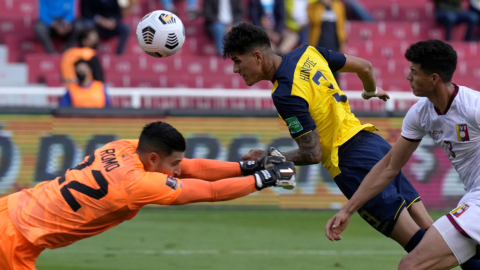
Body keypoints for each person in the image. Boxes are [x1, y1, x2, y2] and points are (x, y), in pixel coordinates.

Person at [222, 22, 435, 257]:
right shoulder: (308, 52)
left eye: (237, 61)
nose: (235, 69)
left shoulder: (285, 93)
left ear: (258, 56)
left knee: (422, 251)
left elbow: (313, 153)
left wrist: (266, 158)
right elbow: (365, 67)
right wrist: (370, 91)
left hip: (352, 163)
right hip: (375, 145)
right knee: (436, 236)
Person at [0, 121, 296, 270]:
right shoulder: (137, 184)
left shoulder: (121, 147)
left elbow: (193, 168)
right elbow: (210, 190)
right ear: (153, 159)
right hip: (17, 240)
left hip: (9, 207)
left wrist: (249, 165)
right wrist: (265, 178)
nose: (177, 171)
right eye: (173, 165)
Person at [325, 40, 480, 270]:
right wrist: (348, 210)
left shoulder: (473, 107)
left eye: (414, 72)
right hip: (473, 195)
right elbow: (389, 167)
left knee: (411, 266)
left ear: (434, 78)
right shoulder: (420, 113)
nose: (408, 77)